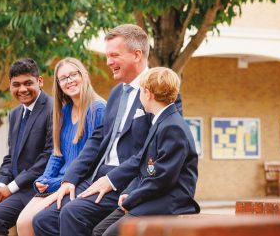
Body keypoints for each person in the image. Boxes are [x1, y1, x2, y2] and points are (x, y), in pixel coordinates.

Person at [33, 24, 182, 236]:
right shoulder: (115, 94)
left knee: (72, 213)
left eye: (114, 55)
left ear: (137, 55)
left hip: (129, 181)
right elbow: (96, 141)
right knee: (43, 220)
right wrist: (69, 180)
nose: (108, 62)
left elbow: (156, 150)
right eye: (107, 56)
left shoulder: (160, 92)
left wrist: (113, 180)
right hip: (96, 178)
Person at [92, 67, 200, 236]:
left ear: (148, 94)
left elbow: (162, 178)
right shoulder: (161, 121)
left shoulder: (173, 127)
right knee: (99, 231)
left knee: (110, 234)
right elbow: (146, 167)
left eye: (141, 91)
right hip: (155, 194)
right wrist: (129, 191)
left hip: (169, 199)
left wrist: (132, 198)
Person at [16, 58, 106, 236]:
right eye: (63, 78)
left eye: (73, 75)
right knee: (22, 223)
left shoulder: (98, 110)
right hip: (57, 181)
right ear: (58, 84)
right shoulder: (64, 111)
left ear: (84, 75)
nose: (69, 81)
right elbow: (57, 154)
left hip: (78, 182)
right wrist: (44, 179)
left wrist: (55, 182)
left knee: (34, 220)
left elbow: (91, 161)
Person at [0, 58, 53, 235]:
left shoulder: (52, 108)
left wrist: (10, 188)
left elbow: (48, 157)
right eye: (16, 84)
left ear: (40, 81)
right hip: (14, 186)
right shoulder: (14, 114)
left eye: (28, 83)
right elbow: (10, 157)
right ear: (10, 86)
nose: (22, 89)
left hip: (36, 188)